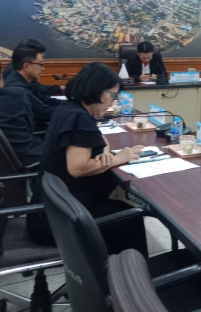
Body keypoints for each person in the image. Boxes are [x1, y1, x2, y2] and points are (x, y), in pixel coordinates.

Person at [27, 62, 148, 256]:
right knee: (130, 217)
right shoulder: (79, 118)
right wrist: (119, 158)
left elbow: (101, 140)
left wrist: (105, 153)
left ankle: (117, 267)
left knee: (121, 209)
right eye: (113, 96)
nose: (113, 102)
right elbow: (78, 168)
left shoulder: (70, 109)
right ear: (98, 90)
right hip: (59, 220)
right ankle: (129, 273)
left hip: (51, 209)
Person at [5, 45, 62, 130]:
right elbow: (46, 113)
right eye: (40, 64)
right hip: (32, 134)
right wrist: (72, 109)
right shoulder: (17, 88)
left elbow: (44, 100)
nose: (43, 68)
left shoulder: (25, 81)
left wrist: (71, 103)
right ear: (27, 66)